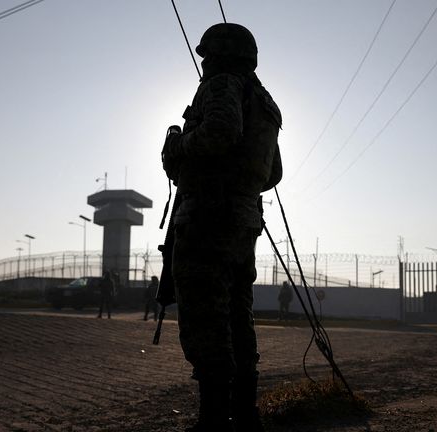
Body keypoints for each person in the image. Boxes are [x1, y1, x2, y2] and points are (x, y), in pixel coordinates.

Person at [162, 22, 283, 432]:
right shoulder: (264, 100)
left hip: (208, 217)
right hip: (243, 218)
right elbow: (274, 172)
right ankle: (245, 415)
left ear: (220, 55)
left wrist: (178, 146)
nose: (206, 64)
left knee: (204, 317)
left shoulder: (222, 86)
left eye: (209, 56)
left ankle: (213, 420)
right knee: (236, 315)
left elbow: (219, 132)